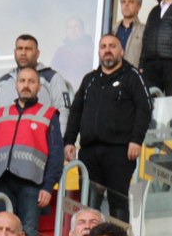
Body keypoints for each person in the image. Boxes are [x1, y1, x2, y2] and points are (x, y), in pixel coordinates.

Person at [63, 34, 152, 220]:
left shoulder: (132, 76)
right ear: (99, 52)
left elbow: (145, 108)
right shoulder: (89, 79)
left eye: (112, 46)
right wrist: (69, 141)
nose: (107, 50)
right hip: (89, 151)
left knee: (117, 202)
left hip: (119, 151)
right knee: (88, 204)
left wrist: (136, 140)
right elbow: (76, 111)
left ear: (122, 51)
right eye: (103, 46)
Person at [0, 65, 64, 236]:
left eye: (31, 81)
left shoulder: (49, 114)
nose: (26, 85)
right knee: (1, 235)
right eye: (22, 81)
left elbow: (56, 155)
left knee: (28, 235)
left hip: (32, 183)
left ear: (39, 87)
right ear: (16, 85)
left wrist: (48, 186)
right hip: (0, 181)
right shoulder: (1, 114)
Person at [115, 0, 146, 68]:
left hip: (133, 73)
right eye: (123, 2)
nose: (126, 5)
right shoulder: (112, 30)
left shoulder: (145, 30)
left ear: (139, 6)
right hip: (113, 73)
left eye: (131, 2)